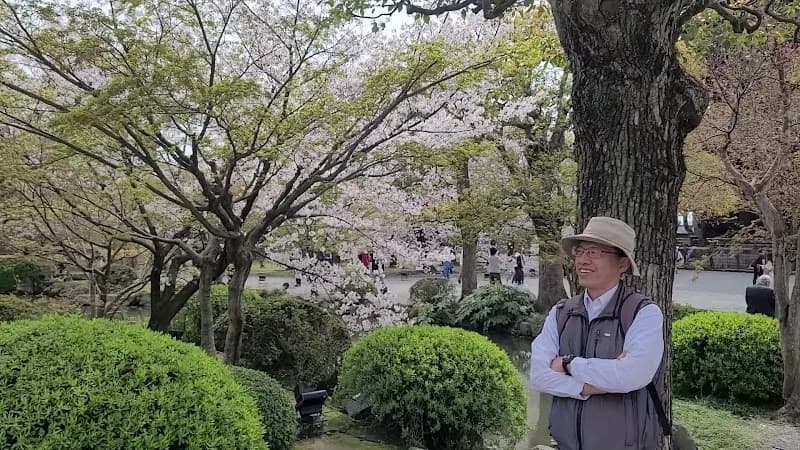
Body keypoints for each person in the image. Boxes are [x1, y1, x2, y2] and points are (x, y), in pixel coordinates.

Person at [529, 216, 668, 450]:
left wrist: (567, 365)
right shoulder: (561, 313)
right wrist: (589, 386)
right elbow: (538, 376)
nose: (583, 260)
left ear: (622, 264)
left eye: (594, 252)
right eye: (580, 251)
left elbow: (631, 376)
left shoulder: (643, 313)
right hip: (566, 445)